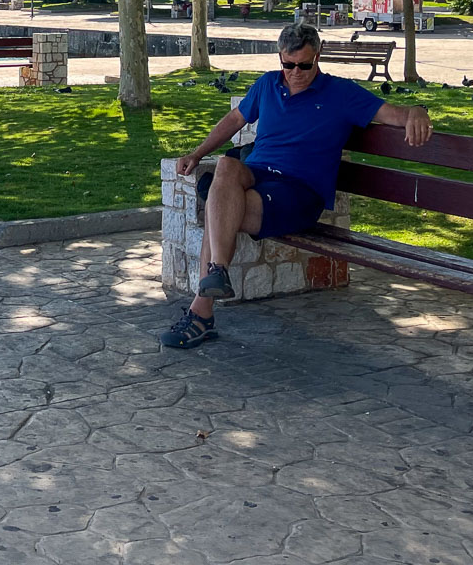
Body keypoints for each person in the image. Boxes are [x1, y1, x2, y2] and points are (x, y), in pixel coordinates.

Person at [158, 24, 433, 349]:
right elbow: (234, 121)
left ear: (318, 56)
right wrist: (197, 153)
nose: (296, 73)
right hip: (259, 173)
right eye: (289, 65)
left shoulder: (341, 93)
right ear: (280, 59)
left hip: (299, 192)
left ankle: (201, 312)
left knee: (220, 207)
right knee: (227, 166)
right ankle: (216, 271)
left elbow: (395, 114)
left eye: (305, 65)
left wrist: (417, 111)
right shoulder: (267, 85)